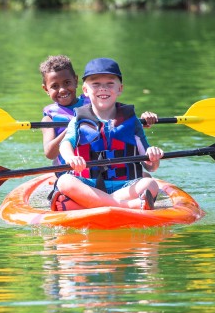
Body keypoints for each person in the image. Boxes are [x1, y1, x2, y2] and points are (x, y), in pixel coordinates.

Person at [52, 57, 164, 212]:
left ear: (120, 89)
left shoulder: (131, 121)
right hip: (87, 184)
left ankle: (81, 205)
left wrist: (154, 158)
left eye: (110, 83)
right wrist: (71, 157)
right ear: (85, 90)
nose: (103, 88)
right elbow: (65, 144)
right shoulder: (78, 120)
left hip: (125, 185)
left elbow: (150, 167)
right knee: (64, 181)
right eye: (96, 84)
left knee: (150, 183)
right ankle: (129, 206)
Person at [39, 55, 158, 166]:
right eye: (55, 86)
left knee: (144, 175)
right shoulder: (49, 118)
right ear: (46, 89)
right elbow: (50, 154)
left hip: (101, 165)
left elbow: (118, 116)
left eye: (67, 83)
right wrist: (73, 127)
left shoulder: (94, 99)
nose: (62, 90)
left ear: (75, 80)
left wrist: (141, 121)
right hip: (70, 170)